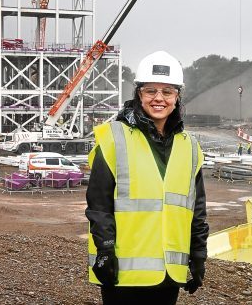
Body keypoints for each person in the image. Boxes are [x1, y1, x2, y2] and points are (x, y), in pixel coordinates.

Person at [85, 51, 209, 305]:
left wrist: (198, 255)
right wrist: (105, 249)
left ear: (177, 96)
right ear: (139, 94)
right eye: (151, 91)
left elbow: (196, 209)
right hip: (122, 275)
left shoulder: (190, 147)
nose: (159, 98)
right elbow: (99, 204)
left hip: (168, 275)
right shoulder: (114, 138)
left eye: (167, 91)